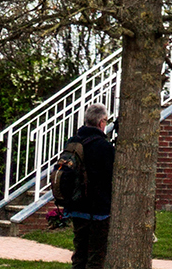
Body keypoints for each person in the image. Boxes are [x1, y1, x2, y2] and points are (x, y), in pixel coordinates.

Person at [62, 104, 115, 269]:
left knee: (79, 254)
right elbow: (109, 176)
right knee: (96, 257)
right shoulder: (104, 147)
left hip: (76, 205)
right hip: (97, 210)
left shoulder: (73, 142)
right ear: (101, 122)